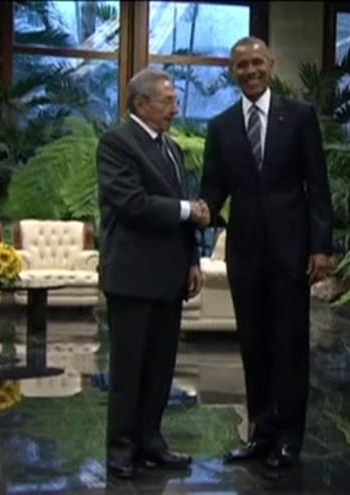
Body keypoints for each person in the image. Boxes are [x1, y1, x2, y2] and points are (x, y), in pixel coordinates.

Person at [199, 36, 335, 469]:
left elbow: (318, 186)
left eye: (257, 62)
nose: (251, 71)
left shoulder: (298, 117)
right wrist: (191, 213)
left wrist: (322, 246)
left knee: (290, 345)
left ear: (271, 65)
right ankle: (261, 434)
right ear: (232, 71)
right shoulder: (220, 127)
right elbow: (213, 192)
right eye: (242, 65)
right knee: (254, 346)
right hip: (246, 254)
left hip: (292, 251)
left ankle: (290, 439)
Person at [97, 67, 209, 480]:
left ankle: (151, 442)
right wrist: (188, 210)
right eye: (168, 101)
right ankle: (121, 449)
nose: (175, 109)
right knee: (129, 367)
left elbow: (184, 216)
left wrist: (193, 261)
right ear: (141, 103)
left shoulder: (172, 150)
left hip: (169, 276)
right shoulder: (116, 142)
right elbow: (131, 202)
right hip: (131, 276)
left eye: (174, 101)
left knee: (161, 366)